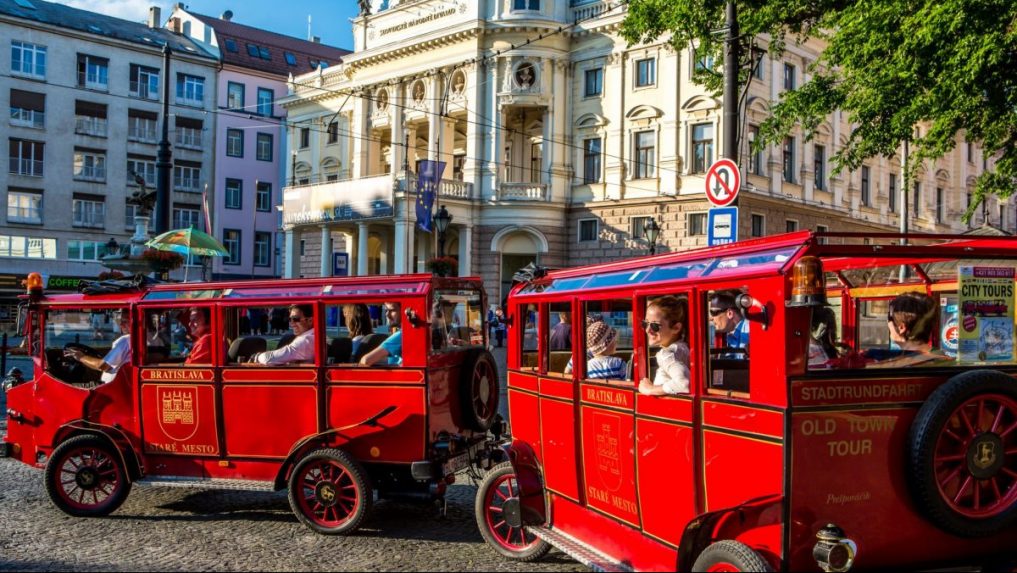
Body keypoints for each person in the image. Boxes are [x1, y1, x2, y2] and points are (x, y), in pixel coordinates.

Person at [870, 292, 944, 368]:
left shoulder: (893, 365)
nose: (888, 324)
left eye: (889, 320)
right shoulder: (941, 358)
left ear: (901, 328)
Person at [639, 296, 691, 395]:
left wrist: (650, 389)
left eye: (655, 326)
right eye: (645, 324)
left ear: (676, 328)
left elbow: (684, 383)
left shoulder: (667, 354)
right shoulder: (684, 347)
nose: (647, 330)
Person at [64, 309, 131, 384]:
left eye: (125, 322)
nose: (121, 325)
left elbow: (102, 366)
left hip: (109, 386)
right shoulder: (134, 340)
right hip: (118, 383)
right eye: (121, 322)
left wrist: (81, 357)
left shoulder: (126, 341)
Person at [250, 304, 315, 365]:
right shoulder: (312, 335)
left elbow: (268, 358)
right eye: (290, 319)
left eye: (296, 319)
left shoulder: (306, 339)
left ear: (310, 320)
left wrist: (257, 356)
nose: (291, 324)